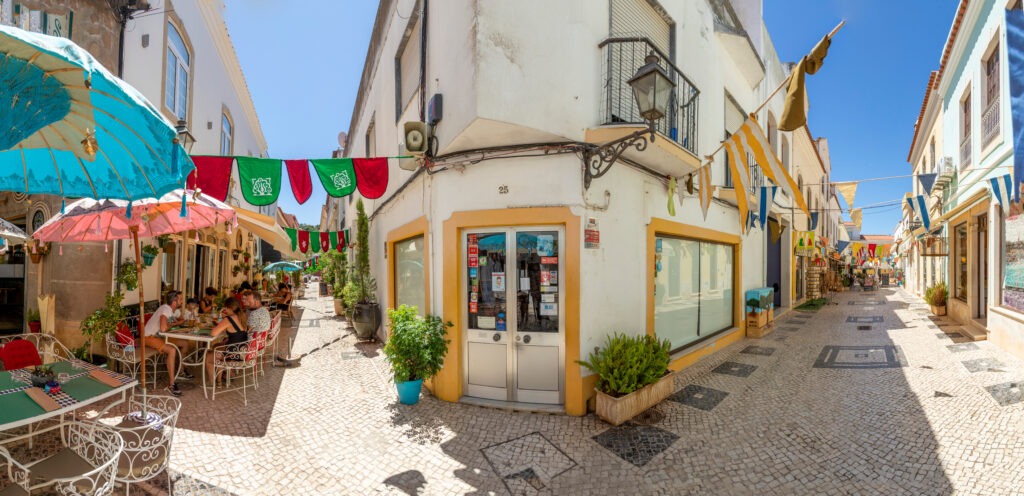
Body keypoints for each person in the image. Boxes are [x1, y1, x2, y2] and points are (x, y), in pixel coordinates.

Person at [143, 291, 192, 396]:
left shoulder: (170, 309)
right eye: (180, 299)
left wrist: (178, 321)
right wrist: (178, 323)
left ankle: (181, 370)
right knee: (172, 350)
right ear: (174, 301)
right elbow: (164, 328)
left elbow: (172, 321)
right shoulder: (165, 309)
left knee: (185, 344)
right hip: (149, 337)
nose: (182, 301)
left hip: (159, 336)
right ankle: (172, 384)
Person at [204, 297, 249, 384]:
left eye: (225, 308)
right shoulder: (242, 317)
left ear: (230, 308)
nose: (224, 310)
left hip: (232, 355)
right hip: (241, 351)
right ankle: (219, 380)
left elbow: (213, 333)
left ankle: (211, 383)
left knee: (209, 356)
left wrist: (222, 322)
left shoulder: (229, 319)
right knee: (216, 347)